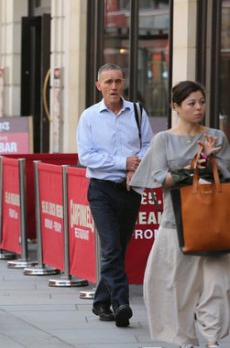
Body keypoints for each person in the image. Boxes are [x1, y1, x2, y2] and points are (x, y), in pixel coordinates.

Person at [130, 81, 230, 348]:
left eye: (202, 102)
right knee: (174, 286)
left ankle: (213, 340)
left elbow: (227, 176)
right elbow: (157, 177)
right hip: (177, 222)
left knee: (217, 286)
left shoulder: (217, 137)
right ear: (176, 107)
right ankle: (186, 340)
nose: (199, 108)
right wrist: (192, 166)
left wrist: (209, 160)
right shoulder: (163, 139)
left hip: (214, 224)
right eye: (191, 103)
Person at [76, 63, 153, 327]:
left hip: (131, 191)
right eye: (107, 82)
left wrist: (136, 165)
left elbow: (148, 146)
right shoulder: (89, 117)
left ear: (124, 83)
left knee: (118, 250)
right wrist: (124, 162)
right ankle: (121, 302)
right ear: (98, 86)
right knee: (110, 247)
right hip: (101, 191)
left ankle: (100, 302)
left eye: (118, 81)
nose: (113, 86)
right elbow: (86, 156)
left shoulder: (138, 112)